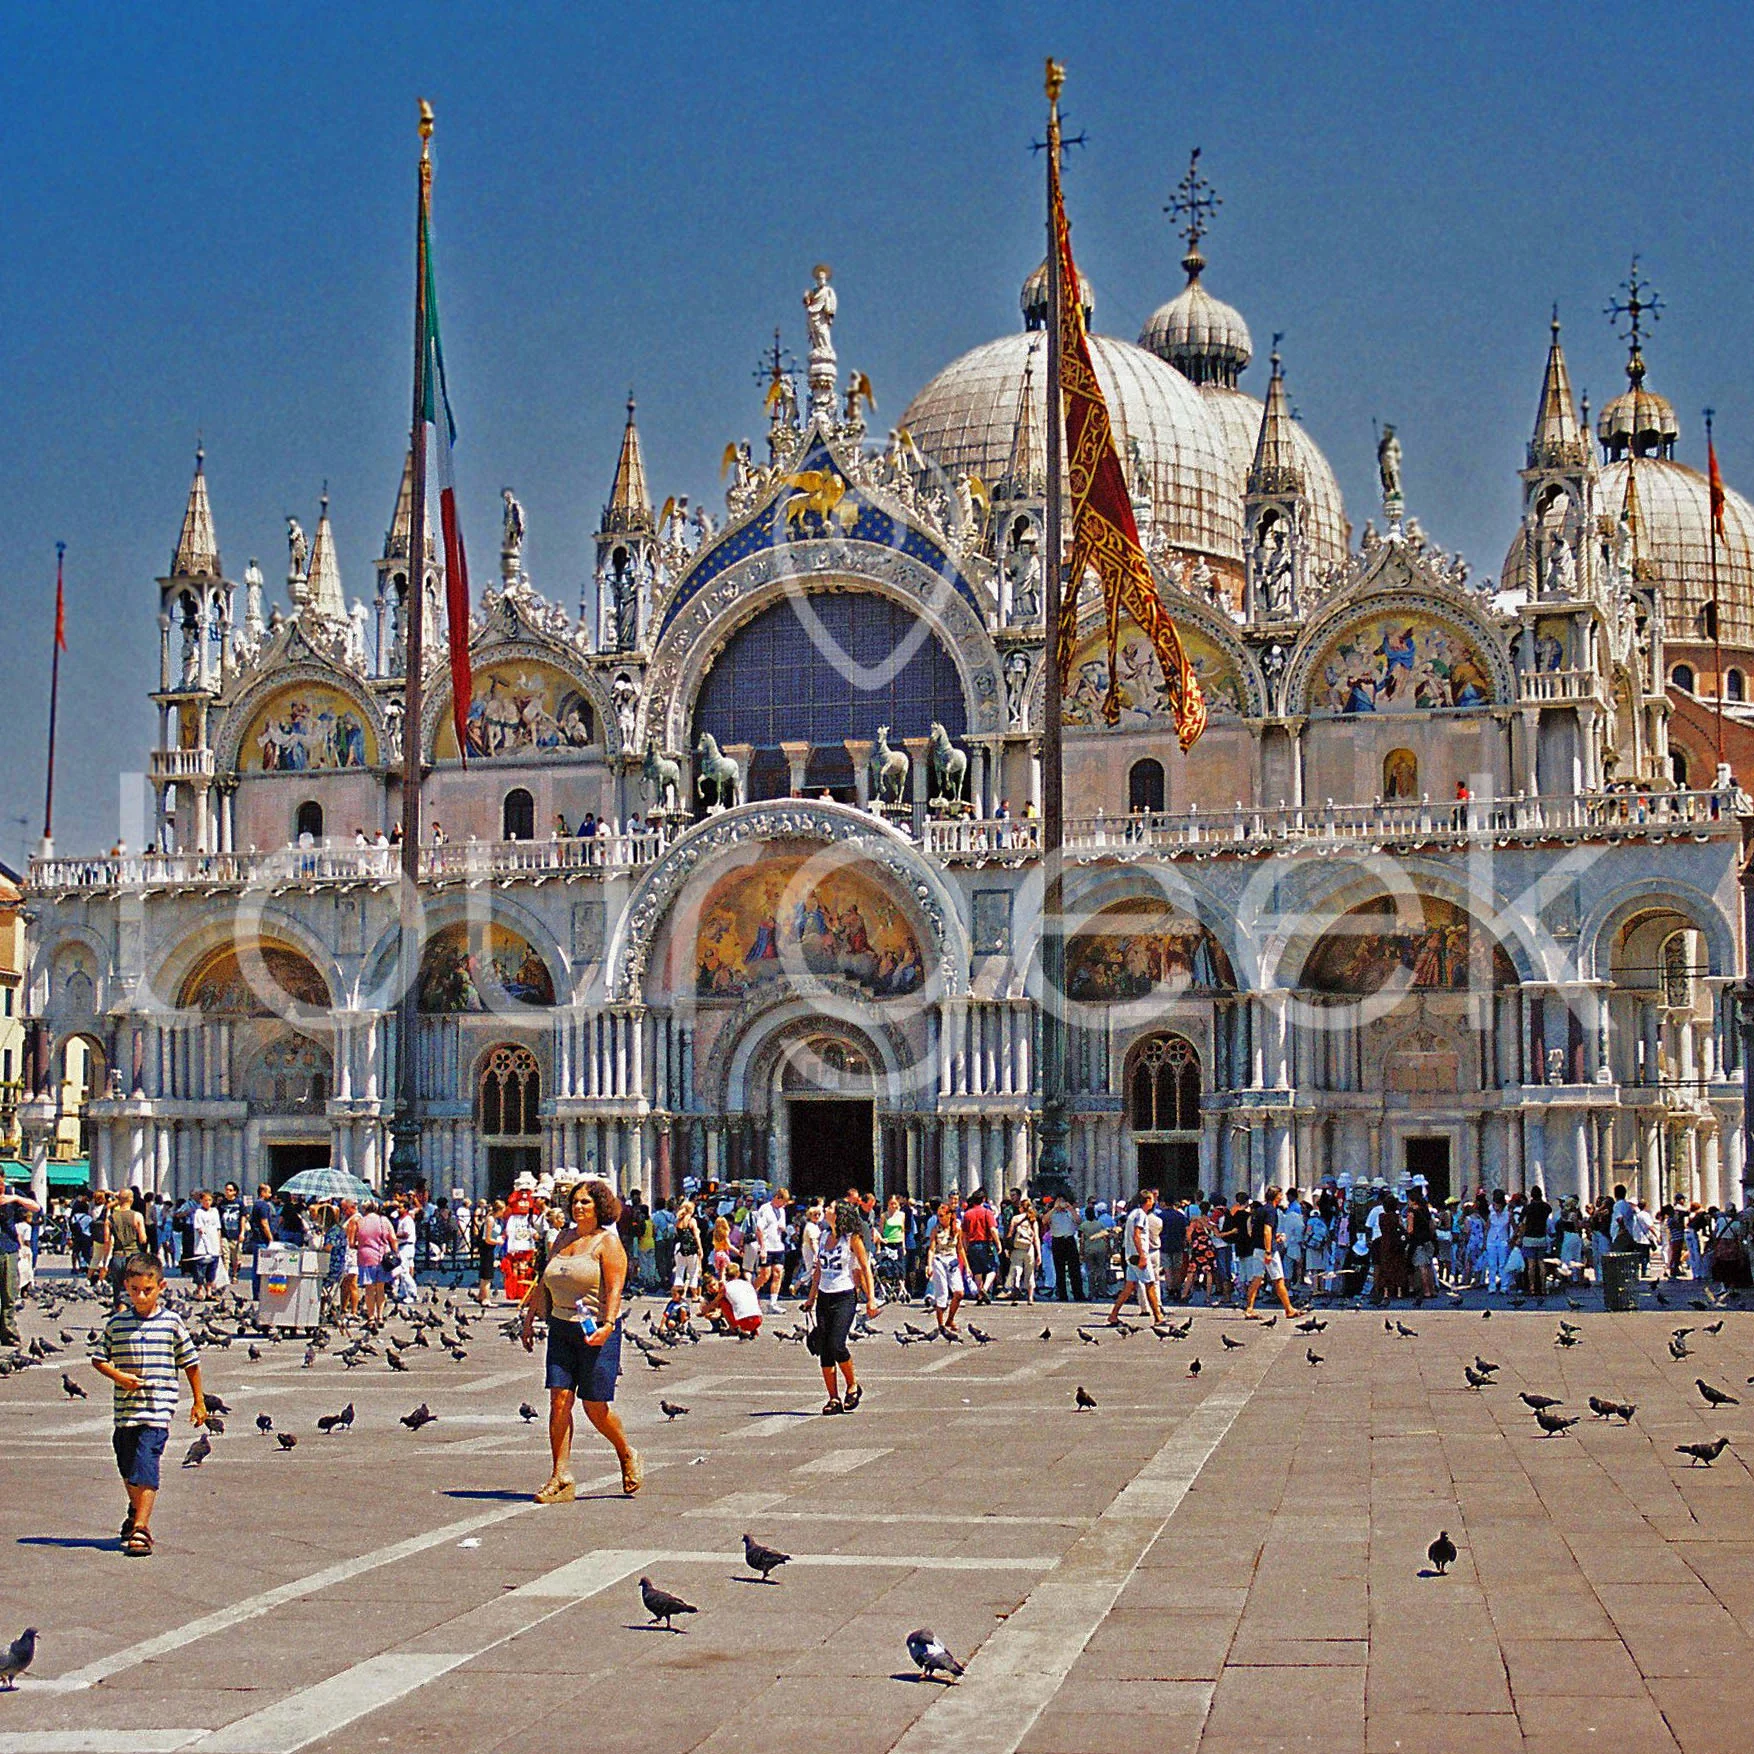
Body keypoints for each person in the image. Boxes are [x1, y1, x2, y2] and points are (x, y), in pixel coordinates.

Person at [521, 1180, 640, 1501]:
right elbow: (543, 1279)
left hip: (596, 1331)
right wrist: (530, 1319)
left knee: (595, 1408)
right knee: (559, 1400)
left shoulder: (608, 1243)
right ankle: (561, 1475)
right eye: (575, 1201)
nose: (578, 1207)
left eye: (586, 1202)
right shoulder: (562, 1238)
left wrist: (609, 1324)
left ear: (599, 1206)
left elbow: (615, 1289)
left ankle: (626, 1452)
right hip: (561, 1327)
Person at [93, 1253, 206, 1558]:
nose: (140, 1296)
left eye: (147, 1290)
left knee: (146, 1461)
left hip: (157, 1409)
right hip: (125, 1411)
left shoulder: (171, 1322)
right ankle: (135, 1507)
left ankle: (141, 1527)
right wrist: (119, 1376)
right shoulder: (117, 1323)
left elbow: (191, 1363)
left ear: (161, 1287)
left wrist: (199, 1401)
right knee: (127, 1466)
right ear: (125, 1287)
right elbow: (98, 1358)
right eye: (133, 1290)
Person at [802, 1197, 879, 1415]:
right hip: (824, 1297)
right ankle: (833, 1398)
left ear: (839, 1214)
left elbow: (865, 1268)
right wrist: (811, 1297)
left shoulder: (852, 1238)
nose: (826, 1210)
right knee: (825, 1350)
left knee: (837, 1344)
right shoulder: (824, 1235)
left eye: (830, 1208)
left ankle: (853, 1384)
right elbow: (819, 1270)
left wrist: (870, 1298)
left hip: (844, 1295)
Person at [1108, 1190, 1164, 1325]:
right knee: (1150, 1284)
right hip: (1138, 1255)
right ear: (1147, 1201)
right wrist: (1143, 1256)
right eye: (1151, 1199)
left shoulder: (1132, 1214)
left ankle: (1113, 1315)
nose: (1154, 1201)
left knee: (1129, 1287)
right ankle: (1158, 1317)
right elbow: (1137, 1235)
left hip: (1130, 1255)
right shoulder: (1140, 1215)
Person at [1241, 1188, 1296, 1319]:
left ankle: (1249, 1308)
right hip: (1268, 1250)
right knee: (1278, 1279)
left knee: (1257, 1279)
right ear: (1276, 1196)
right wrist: (1269, 1250)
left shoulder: (1260, 1210)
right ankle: (1289, 1309)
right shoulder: (1271, 1210)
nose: (1282, 1196)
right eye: (1280, 1194)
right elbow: (1266, 1230)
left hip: (1257, 1248)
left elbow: (1257, 1231)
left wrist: (1273, 1237)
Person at [0, 1184, 41, 1346]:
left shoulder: (12, 1193)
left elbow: (36, 1207)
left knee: (9, 1292)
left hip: (8, 1249)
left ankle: (8, 1332)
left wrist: (16, 1199)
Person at [924, 1199, 969, 1335]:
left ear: (949, 1215)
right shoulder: (935, 1229)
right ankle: (941, 1324)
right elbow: (931, 1249)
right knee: (942, 1292)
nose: (940, 1218)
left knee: (959, 1292)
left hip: (952, 1260)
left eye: (942, 1216)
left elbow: (960, 1248)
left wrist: (967, 1266)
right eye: (938, 1216)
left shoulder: (956, 1229)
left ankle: (950, 1319)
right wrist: (929, 1265)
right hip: (939, 1259)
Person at [101, 1189, 149, 1310]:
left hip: (117, 1256)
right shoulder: (137, 1216)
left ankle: (120, 1314)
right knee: (133, 1287)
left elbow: (107, 1241)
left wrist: (104, 1263)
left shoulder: (110, 1219)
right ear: (131, 1200)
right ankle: (128, 1314)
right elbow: (143, 1238)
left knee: (118, 1288)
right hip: (133, 1257)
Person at [354, 1200, 397, 1323]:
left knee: (369, 1290)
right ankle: (380, 1316)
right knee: (380, 1289)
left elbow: (354, 1241)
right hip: (382, 1257)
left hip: (365, 1257)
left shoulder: (360, 1222)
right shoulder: (384, 1220)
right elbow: (393, 1238)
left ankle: (371, 1317)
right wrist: (395, 1253)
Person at [754, 1187, 790, 1314]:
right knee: (765, 1275)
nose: (784, 1205)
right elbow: (759, 1229)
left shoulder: (782, 1211)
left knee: (778, 1272)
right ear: (777, 1198)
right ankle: (752, 1294)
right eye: (783, 1201)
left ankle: (773, 1303)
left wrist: (783, 1228)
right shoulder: (765, 1209)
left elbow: (782, 1226)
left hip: (778, 1246)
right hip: (767, 1246)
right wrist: (762, 1247)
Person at [960, 1190, 999, 1304]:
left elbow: (964, 1233)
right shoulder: (987, 1212)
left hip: (972, 1245)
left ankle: (979, 1294)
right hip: (986, 1244)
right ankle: (985, 1289)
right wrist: (998, 1243)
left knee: (977, 1271)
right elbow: (993, 1229)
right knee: (992, 1268)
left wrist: (965, 1246)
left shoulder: (967, 1214)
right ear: (984, 1199)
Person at [702, 1267, 762, 1336]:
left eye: (714, 1285)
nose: (713, 1288)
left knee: (722, 1301)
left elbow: (715, 1302)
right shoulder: (747, 1284)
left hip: (744, 1322)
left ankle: (733, 1329)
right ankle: (753, 1329)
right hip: (758, 1320)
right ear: (738, 1274)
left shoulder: (725, 1287)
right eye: (710, 1287)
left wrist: (706, 1311)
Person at [1046, 1195, 1083, 1302]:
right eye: (1059, 1201)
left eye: (1062, 1201)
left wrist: (1070, 1208)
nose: (1061, 1203)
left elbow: (1079, 1221)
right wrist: (1054, 1208)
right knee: (1059, 1269)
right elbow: (1044, 1220)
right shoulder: (1053, 1214)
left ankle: (1078, 1293)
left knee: (1074, 1269)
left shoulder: (1069, 1213)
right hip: (1057, 1240)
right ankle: (1062, 1294)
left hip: (1069, 1240)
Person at [1004, 1200, 1040, 1303]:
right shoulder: (1033, 1220)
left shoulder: (1015, 1218)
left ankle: (1016, 1285)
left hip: (1017, 1248)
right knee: (1030, 1272)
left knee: (1016, 1268)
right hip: (1029, 1249)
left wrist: (1007, 1248)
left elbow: (1010, 1234)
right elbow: (1036, 1238)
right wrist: (1039, 1254)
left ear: (1020, 1208)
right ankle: (1030, 1297)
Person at [188, 1191, 222, 1299]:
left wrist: (219, 1244)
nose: (207, 1202)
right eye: (205, 1200)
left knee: (211, 1271)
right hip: (201, 1246)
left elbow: (218, 1228)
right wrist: (205, 1239)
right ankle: (199, 1291)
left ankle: (209, 1292)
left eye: (209, 1200)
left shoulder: (215, 1211)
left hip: (214, 1245)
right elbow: (199, 1228)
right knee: (200, 1270)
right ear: (201, 1200)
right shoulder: (198, 1212)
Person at [473, 1197, 504, 1306]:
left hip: (490, 1248)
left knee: (485, 1272)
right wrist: (498, 1242)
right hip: (487, 1248)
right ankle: (486, 1299)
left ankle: (481, 1295)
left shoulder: (494, 1219)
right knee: (488, 1274)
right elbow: (487, 1238)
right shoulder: (490, 1220)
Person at [672, 1198, 703, 1297]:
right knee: (693, 1272)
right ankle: (694, 1295)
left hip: (680, 1249)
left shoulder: (678, 1221)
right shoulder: (692, 1221)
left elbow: (676, 1234)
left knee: (679, 1272)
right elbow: (696, 1236)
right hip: (692, 1249)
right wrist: (700, 1248)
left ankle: (678, 1294)